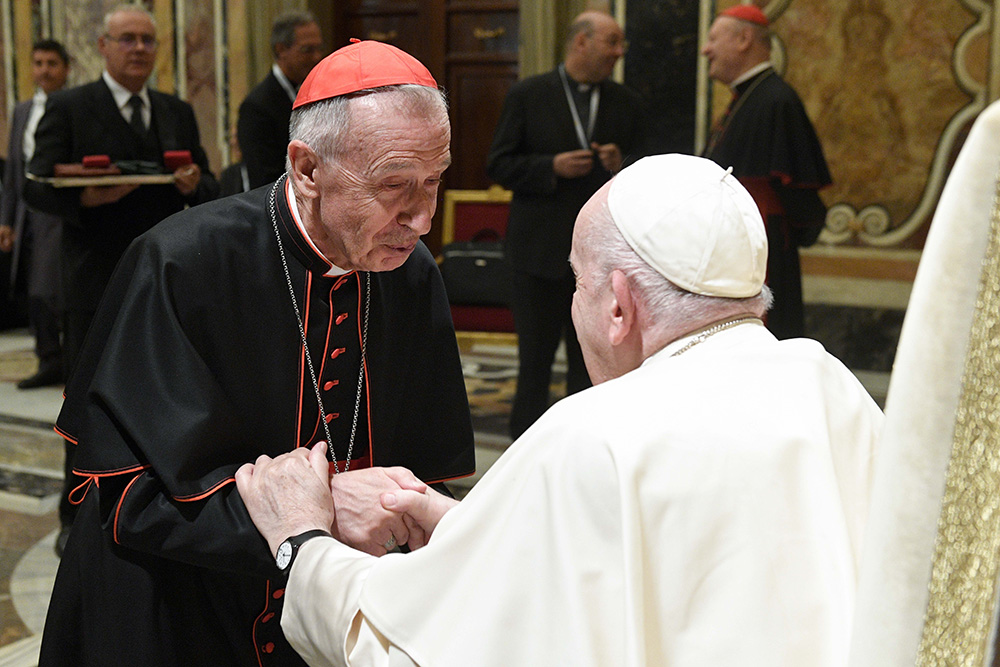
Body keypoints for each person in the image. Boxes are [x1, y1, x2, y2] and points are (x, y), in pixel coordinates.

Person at [237, 154, 884, 667]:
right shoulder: (826, 384)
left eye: (578, 282)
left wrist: (302, 541)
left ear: (620, 305)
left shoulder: (593, 432)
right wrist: (474, 529)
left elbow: (417, 644)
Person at [36, 39, 475, 667]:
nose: (424, 217)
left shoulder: (412, 274)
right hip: (176, 614)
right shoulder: (180, 263)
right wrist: (317, 516)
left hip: (326, 618)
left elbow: (425, 463)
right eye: (393, 185)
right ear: (306, 168)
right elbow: (125, 499)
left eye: (434, 182)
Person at [24, 4, 218, 555]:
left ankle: (157, 496)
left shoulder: (175, 110)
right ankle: (77, 511)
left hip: (166, 282)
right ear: (103, 46)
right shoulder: (69, 106)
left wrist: (190, 185)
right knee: (89, 399)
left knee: (166, 395)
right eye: (127, 39)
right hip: (94, 281)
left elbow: (206, 185)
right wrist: (85, 198)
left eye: (147, 41)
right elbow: (35, 184)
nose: (138, 49)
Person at [487, 10, 646, 439]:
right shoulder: (529, 95)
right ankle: (521, 452)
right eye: (611, 42)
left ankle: (584, 448)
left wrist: (622, 163)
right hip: (538, 254)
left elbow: (648, 170)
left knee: (593, 362)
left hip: (601, 261)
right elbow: (498, 164)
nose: (619, 52)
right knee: (534, 363)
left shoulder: (627, 102)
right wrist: (549, 166)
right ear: (581, 42)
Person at [701, 4, 831, 340]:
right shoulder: (749, 98)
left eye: (713, 39)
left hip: (764, 257)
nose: (705, 49)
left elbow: (796, 191)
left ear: (743, 39)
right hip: (738, 250)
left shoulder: (776, 100)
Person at [0, 39, 70, 389]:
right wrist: (7, 219)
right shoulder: (22, 110)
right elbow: (14, 169)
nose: (44, 70)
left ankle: (67, 359)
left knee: (51, 288)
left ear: (66, 68)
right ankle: (48, 360)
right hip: (27, 211)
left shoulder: (73, 105)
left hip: (56, 210)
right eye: (38, 62)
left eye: (52, 63)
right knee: (32, 288)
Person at [237, 10, 324, 190]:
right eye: (307, 50)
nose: (317, 57)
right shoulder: (257, 106)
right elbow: (264, 180)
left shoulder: (318, 91)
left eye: (318, 48)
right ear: (281, 49)